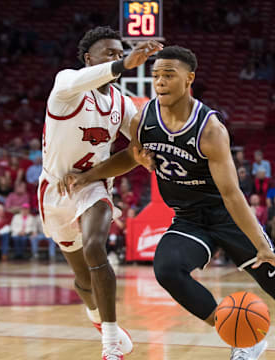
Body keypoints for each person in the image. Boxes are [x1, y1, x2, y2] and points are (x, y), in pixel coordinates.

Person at [61, 45, 275, 360]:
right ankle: (243, 337)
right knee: (167, 270)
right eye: (156, 75)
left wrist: (262, 245)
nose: (160, 81)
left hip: (225, 214)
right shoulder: (144, 118)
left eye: (169, 75)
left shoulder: (210, 129)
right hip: (189, 219)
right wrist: (88, 176)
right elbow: (129, 157)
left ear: (189, 79)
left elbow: (232, 194)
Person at [38, 26, 163, 360]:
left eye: (119, 52)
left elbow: (139, 145)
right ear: (87, 59)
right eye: (109, 52)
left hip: (92, 184)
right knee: (82, 280)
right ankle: (96, 317)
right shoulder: (66, 85)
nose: (116, 57)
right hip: (55, 190)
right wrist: (125, 63)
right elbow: (96, 73)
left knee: (95, 246)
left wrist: (148, 153)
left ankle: (110, 344)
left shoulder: (122, 104)